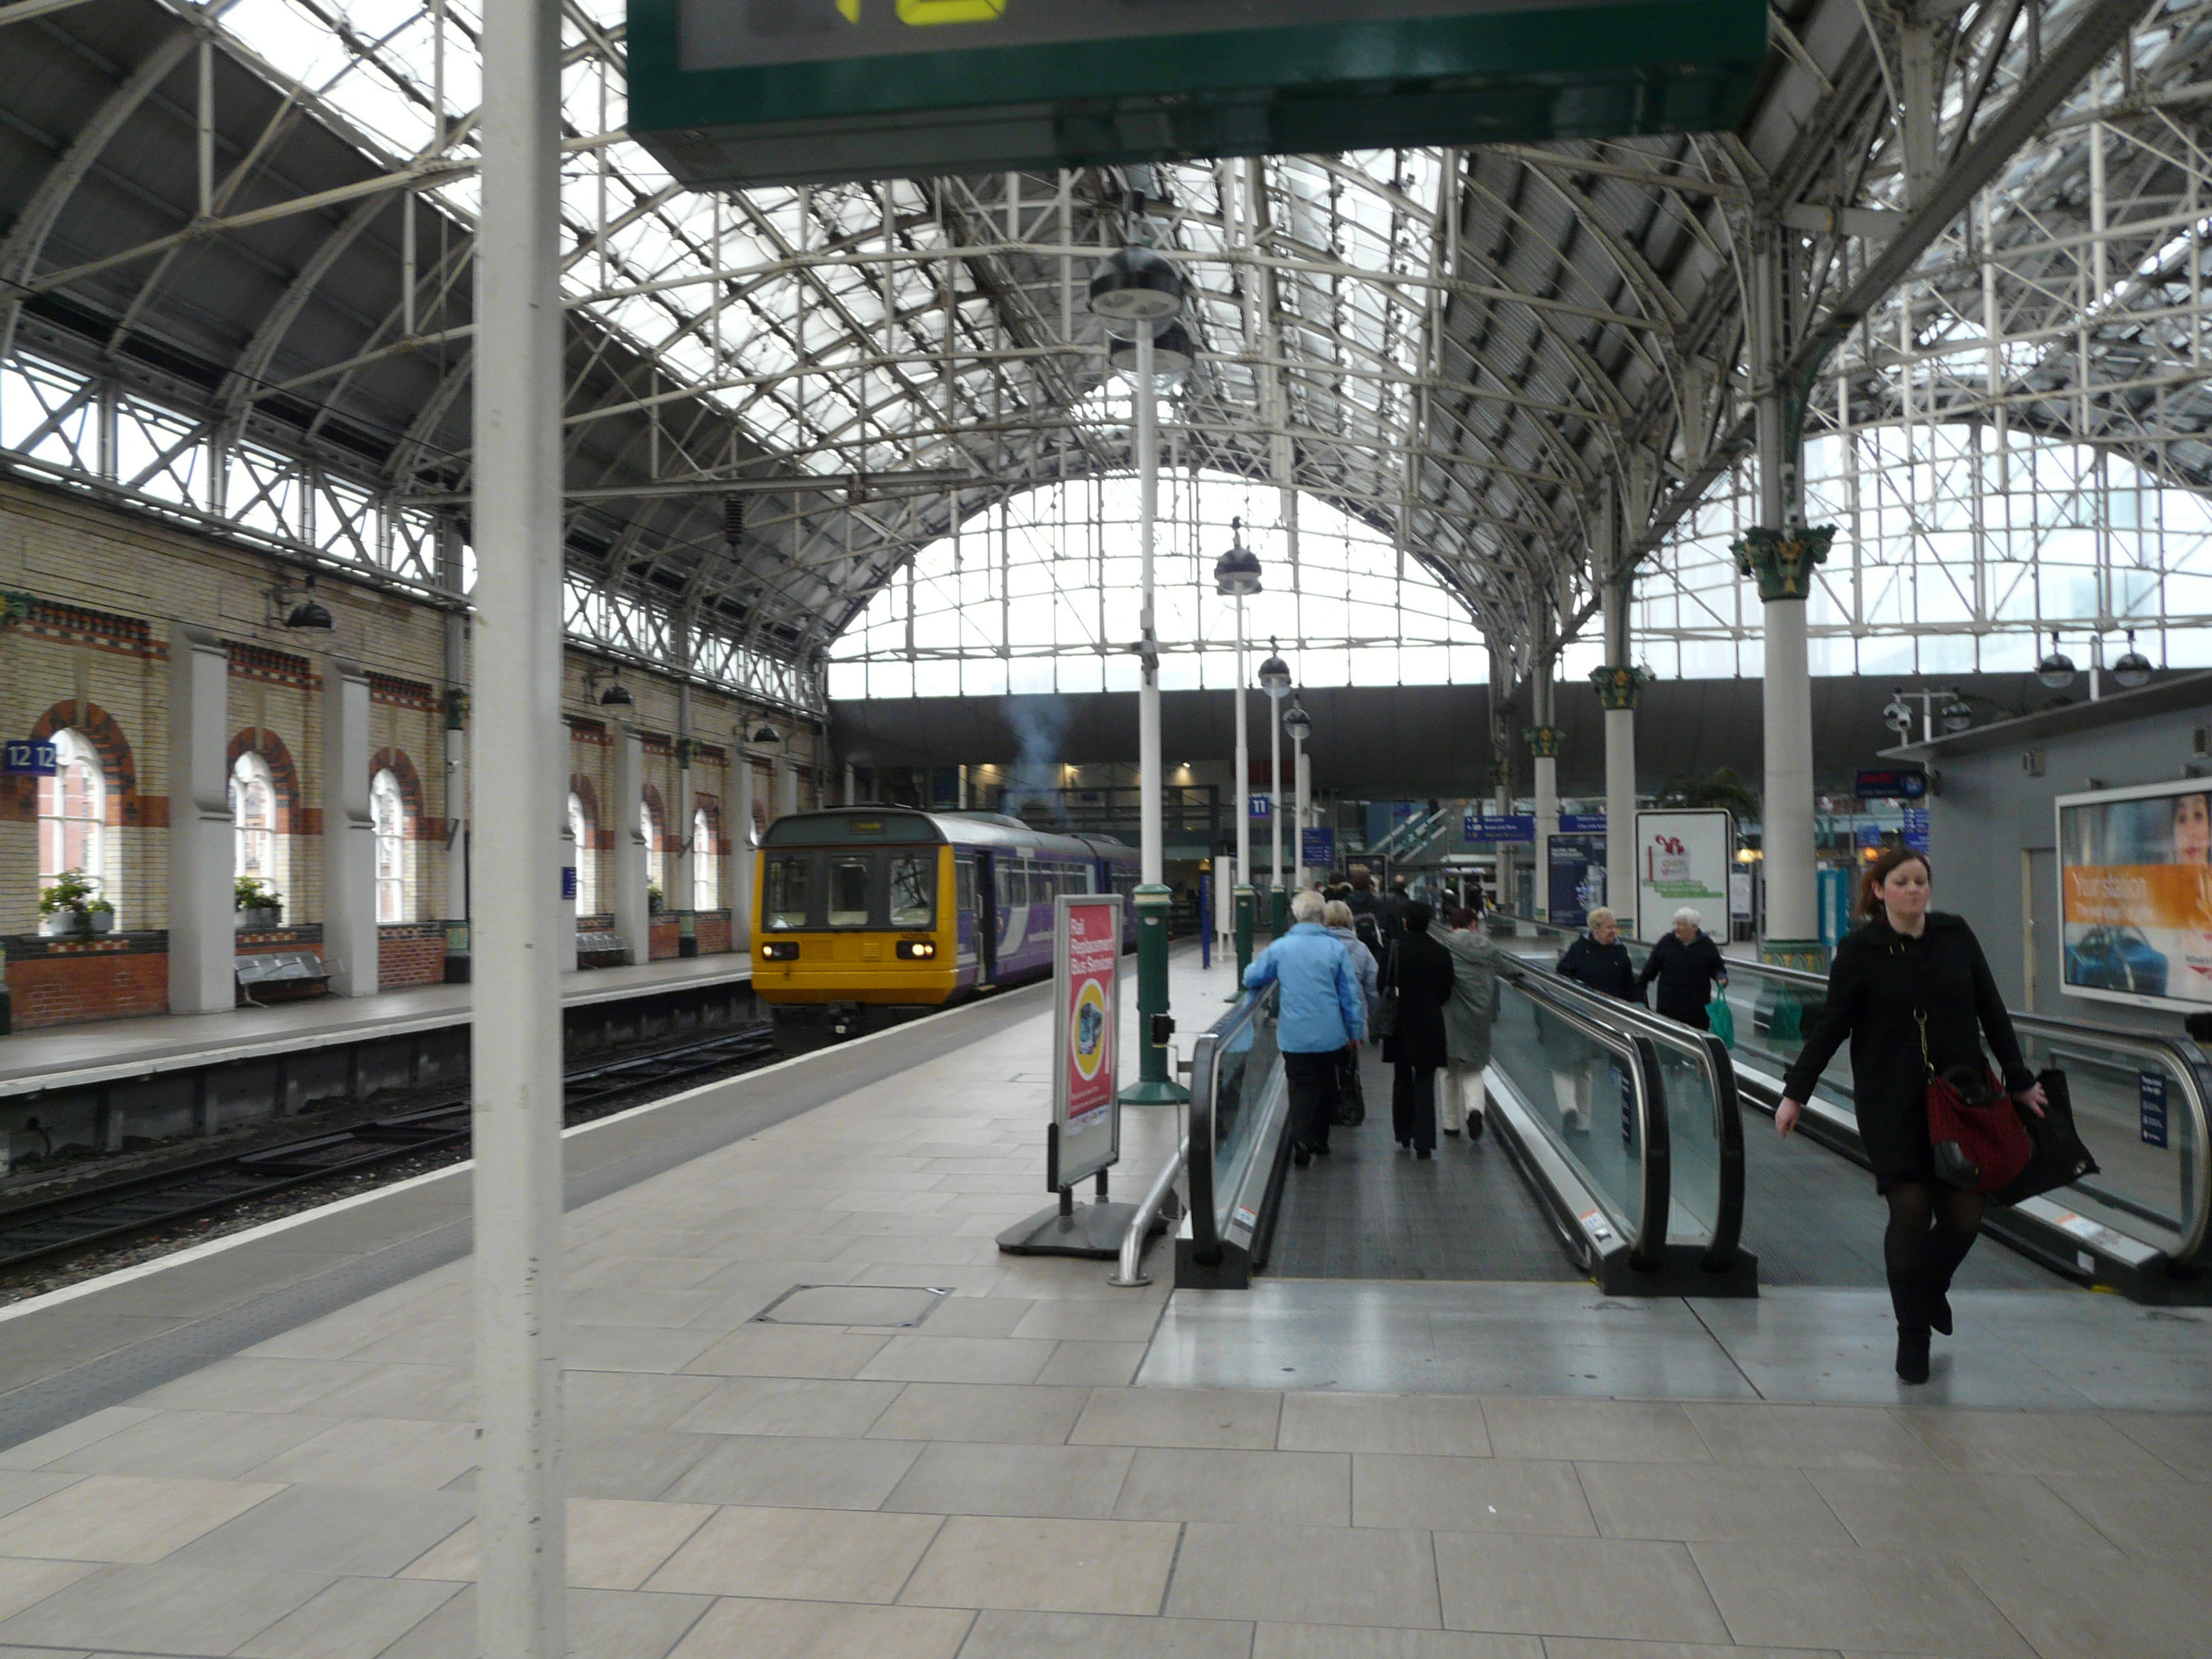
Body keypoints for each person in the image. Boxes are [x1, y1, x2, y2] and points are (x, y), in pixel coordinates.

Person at [1776, 848, 2047, 1385]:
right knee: (1910, 1211)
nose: (1914, 890)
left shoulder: (1955, 935)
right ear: (1879, 891)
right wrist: (1795, 1093)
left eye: (1921, 880)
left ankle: (1930, 1288)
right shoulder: (1859, 951)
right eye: (1902, 882)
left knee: (1965, 1215)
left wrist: (2018, 1077)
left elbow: (1991, 1007)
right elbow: (1833, 1025)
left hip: (1963, 1095)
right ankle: (1913, 1338)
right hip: (1891, 1100)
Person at [1244, 888, 1366, 1168]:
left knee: (1300, 1087)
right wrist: (1355, 1032)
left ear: (1296, 915)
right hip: (1331, 1035)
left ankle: (1300, 1138)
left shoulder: (1280, 947)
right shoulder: (1335, 948)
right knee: (1326, 1086)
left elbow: (1252, 976)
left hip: (1294, 1035)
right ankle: (1320, 1141)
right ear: (1322, 917)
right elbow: (1349, 994)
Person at [1381, 899, 1454, 1157]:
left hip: (1400, 1021)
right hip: (1430, 1021)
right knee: (1425, 1080)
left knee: (1402, 1077)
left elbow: (1383, 984)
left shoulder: (1394, 949)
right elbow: (1447, 990)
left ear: (1404, 922)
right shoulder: (1441, 952)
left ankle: (1404, 1132)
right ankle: (1425, 1141)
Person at [1436, 906, 1501, 1141]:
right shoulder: (1488, 947)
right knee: (1473, 1068)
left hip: (1449, 1012)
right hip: (1478, 1015)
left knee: (1447, 1070)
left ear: (1451, 926)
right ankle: (1474, 1110)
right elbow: (1507, 969)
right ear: (1473, 925)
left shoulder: (1443, 946)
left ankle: (1450, 1124)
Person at [1324, 898, 1380, 1126]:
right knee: (1348, 1066)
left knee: (1325, 1066)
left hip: (1324, 1019)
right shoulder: (1361, 948)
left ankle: (1327, 1107)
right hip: (1352, 1021)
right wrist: (1371, 1019)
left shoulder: (1320, 947)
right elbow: (1373, 987)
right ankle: (1346, 1105)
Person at [1638, 906, 1729, 1031]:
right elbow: (1651, 968)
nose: (1677, 928)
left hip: (1697, 1011)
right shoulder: (1667, 942)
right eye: (1676, 924)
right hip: (1669, 1009)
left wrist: (1722, 978)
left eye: (1682, 925)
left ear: (1694, 928)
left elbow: (1717, 967)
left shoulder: (1706, 945)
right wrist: (1639, 987)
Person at [1558, 907, 1641, 1002]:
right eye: (1609, 928)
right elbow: (1563, 973)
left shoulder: (1620, 949)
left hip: (1616, 1006)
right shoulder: (1579, 947)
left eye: (1615, 927)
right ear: (1596, 929)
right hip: (1588, 1003)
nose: (1613, 931)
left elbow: (1629, 982)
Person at [1345, 865, 1390, 957]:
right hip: (1373, 942)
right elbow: (1382, 921)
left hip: (1353, 942)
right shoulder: (1376, 901)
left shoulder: (1347, 902)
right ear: (1368, 885)